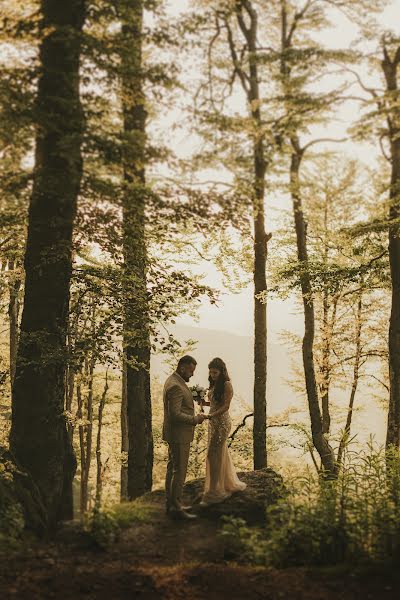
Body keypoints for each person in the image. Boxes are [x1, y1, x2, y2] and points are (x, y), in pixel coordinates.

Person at [163, 355, 207, 520]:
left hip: (175, 433)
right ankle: (176, 508)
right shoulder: (175, 386)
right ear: (182, 367)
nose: (192, 374)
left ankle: (172, 503)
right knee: (179, 471)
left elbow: (179, 406)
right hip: (179, 434)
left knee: (172, 469)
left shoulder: (174, 380)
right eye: (191, 370)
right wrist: (196, 419)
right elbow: (174, 415)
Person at [200, 357, 246, 506]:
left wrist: (211, 415)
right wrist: (202, 402)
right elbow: (213, 403)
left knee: (213, 455)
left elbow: (225, 406)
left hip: (222, 423)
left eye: (215, 372)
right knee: (217, 453)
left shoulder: (227, 385)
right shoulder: (213, 385)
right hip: (213, 422)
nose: (213, 375)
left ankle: (215, 490)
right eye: (211, 373)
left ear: (222, 371)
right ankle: (221, 484)